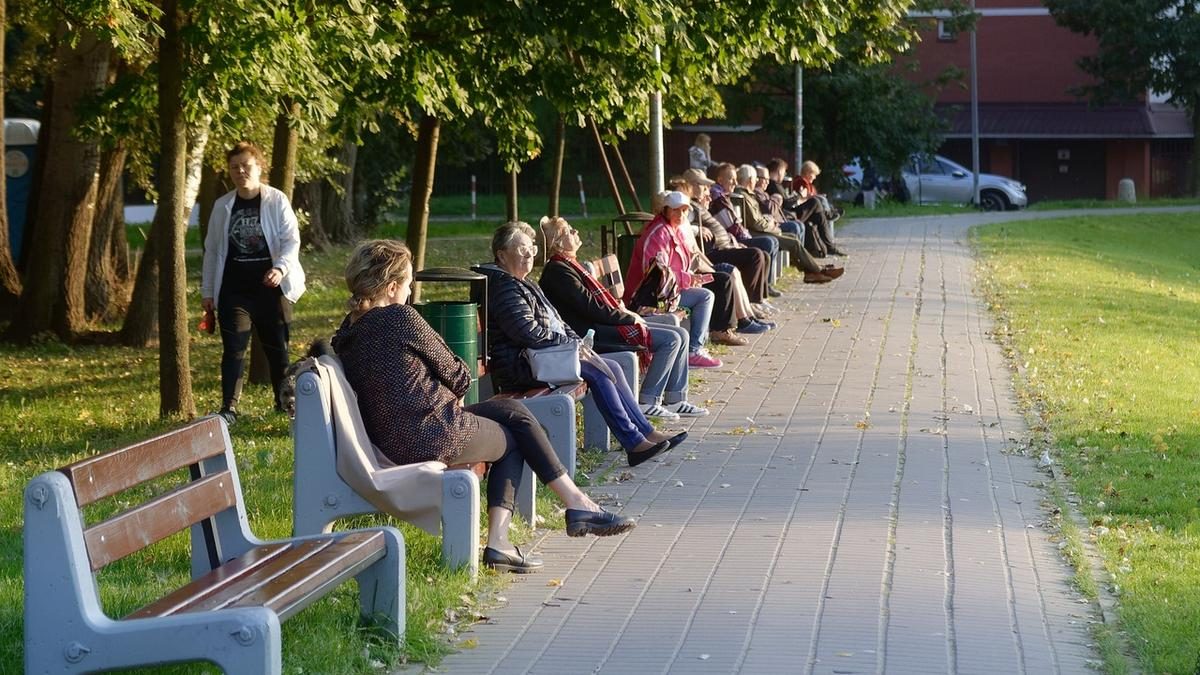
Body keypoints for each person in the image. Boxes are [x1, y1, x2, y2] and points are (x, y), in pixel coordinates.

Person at [331, 239, 635, 574]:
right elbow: (459, 375)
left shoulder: (346, 333)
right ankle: (504, 540)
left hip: (396, 434)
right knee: (512, 437)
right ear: (391, 287)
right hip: (430, 434)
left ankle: (576, 504)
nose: (408, 293)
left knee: (514, 413)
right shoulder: (400, 317)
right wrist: (449, 388)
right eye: (406, 285)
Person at [476, 222, 688, 464]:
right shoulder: (505, 287)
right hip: (522, 365)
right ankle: (633, 442)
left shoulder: (521, 282)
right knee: (597, 372)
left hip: (541, 358)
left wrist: (577, 343)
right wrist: (571, 345)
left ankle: (645, 432)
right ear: (502, 255)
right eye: (521, 250)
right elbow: (528, 333)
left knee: (612, 366)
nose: (528, 255)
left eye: (531, 249)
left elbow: (556, 320)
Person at [538, 216, 710, 420]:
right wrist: (629, 318)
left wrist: (627, 315)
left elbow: (597, 306)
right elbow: (592, 308)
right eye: (569, 231)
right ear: (557, 243)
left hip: (600, 325)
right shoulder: (558, 272)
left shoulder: (568, 265)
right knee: (671, 340)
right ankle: (648, 401)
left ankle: (676, 399)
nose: (575, 232)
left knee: (680, 334)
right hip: (591, 334)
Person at [201, 141, 306, 424]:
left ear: (259, 167)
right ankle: (229, 409)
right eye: (234, 167)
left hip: (271, 291)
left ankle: (283, 404)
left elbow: (290, 241)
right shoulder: (223, 206)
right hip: (234, 292)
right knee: (234, 349)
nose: (240, 171)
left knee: (277, 350)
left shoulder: (276, 200)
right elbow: (212, 251)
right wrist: (208, 292)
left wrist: (281, 269)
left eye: (246, 166)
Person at [625, 191, 750, 364]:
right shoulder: (659, 233)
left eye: (684, 210)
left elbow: (684, 262)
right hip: (647, 299)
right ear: (666, 210)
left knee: (711, 288)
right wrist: (687, 279)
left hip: (666, 292)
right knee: (705, 296)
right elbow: (655, 274)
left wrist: (693, 276)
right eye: (676, 210)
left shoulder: (673, 229)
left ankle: (697, 347)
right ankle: (694, 350)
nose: (681, 215)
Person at [732, 164, 838, 283]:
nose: (757, 181)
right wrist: (773, 225)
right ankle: (817, 271)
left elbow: (759, 219)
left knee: (793, 237)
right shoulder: (744, 196)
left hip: (762, 229)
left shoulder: (748, 195)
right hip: (756, 232)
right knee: (792, 241)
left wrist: (770, 222)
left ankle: (812, 272)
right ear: (750, 179)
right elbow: (757, 223)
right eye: (756, 179)